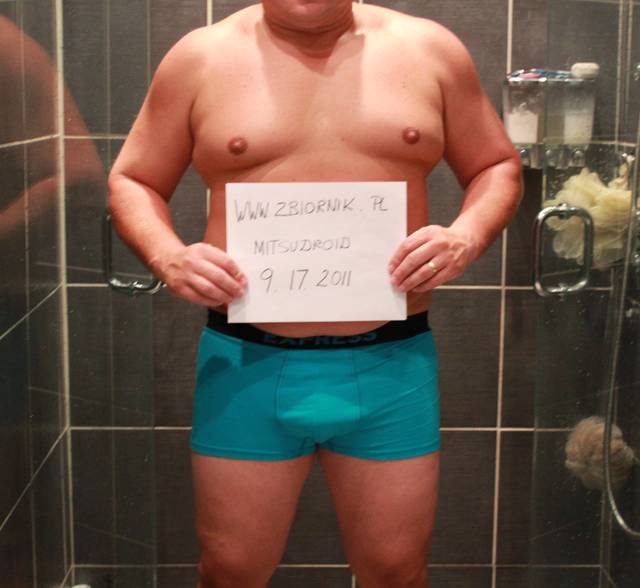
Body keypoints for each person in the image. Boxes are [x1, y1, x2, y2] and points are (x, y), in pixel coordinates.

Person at [107, 1, 523, 586]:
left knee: (397, 573)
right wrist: (166, 254)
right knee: (229, 571)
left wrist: (467, 236)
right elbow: (133, 178)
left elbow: (497, 165)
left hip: (391, 361)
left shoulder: (430, 51)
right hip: (246, 363)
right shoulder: (199, 57)